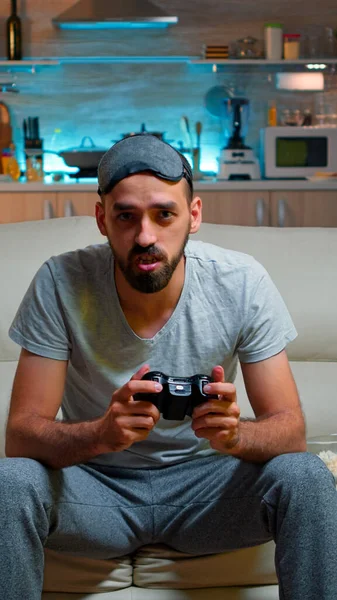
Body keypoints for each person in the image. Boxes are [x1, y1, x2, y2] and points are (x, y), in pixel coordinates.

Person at [1, 133, 337, 600]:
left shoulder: (241, 282)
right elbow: (20, 437)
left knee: (306, 476)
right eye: (126, 216)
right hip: (97, 490)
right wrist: (101, 433)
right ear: (101, 219)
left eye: (164, 214)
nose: (145, 237)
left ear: (193, 215)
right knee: (9, 483)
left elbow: (290, 432)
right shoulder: (60, 282)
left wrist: (236, 435)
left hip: (207, 491)